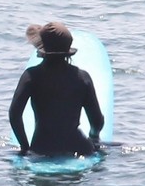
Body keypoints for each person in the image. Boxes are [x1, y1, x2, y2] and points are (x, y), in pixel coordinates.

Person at [8, 21, 105, 158]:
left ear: (42, 48)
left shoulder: (31, 76)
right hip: (80, 148)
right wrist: (94, 137)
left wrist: (25, 148)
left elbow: (14, 114)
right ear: (68, 49)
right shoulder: (82, 78)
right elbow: (97, 120)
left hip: (42, 149)